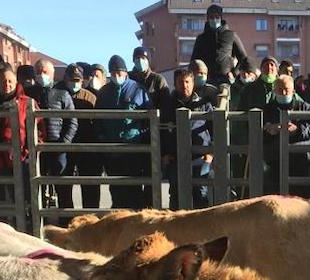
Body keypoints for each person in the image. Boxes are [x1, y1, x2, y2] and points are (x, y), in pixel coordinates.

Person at [95, 54, 153, 209]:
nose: (116, 76)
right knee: (115, 189)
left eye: (119, 73)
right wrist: (102, 138)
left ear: (125, 72)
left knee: (134, 189)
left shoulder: (138, 90)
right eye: (113, 73)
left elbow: (150, 118)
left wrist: (141, 137)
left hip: (133, 150)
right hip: (112, 150)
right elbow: (97, 119)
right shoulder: (103, 93)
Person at [0, 65, 38, 218]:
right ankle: (1, 233)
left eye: (10, 81)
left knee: (24, 198)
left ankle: (27, 231)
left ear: (16, 81)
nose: (7, 84)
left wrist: (27, 153)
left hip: (20, 160)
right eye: (3, 81)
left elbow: (39, 130)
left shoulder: (28, 103)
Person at [26, 59, 77, 222]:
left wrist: (64, 143)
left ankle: (67, 224)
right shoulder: (28, 95)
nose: (42, 75)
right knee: (35, 189)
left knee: (63, 189)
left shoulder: (63, 94)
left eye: (45, 72)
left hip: (58, 149)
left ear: (52, 74)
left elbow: (72, 121)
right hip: (35, 150)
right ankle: (38, 224)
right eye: (39, 71)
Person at [159, 69, 214, 209]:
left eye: (187, 82)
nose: (184, 85)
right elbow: (161, 132)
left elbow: (215, 130)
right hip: (175, 158)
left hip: (200, 158)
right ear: (175, 84)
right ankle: (175, 230)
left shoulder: (204, 105)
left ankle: (202, 229)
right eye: (180, 82)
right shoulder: (167, 107)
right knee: (176, 195)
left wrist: (211, 153)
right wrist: (163, 154)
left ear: (193, 83)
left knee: (201, 194)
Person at [261, 75, 310, 197]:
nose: (283, 93)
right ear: (274, 91)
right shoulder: (267, 109)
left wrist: (298, 130)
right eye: (280, 90)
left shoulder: (305, 107)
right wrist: (268, 129)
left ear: (293, 91)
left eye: (286, 90)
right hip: (274, 162)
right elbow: (257, 130)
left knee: (302, 200)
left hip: (301, 162)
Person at [59, 64, 99, 213]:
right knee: (64, 185)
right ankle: (66, 219)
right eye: (72, 80)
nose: (75, 83)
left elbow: (97, 122)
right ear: (65, 79)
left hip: (87, 145)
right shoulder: (57, 94)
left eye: (78, 80)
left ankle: (91, 219)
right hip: (65, 146)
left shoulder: (90, 97)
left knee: (90, 186)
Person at [191, 4, 247, 86]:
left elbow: (243, 58)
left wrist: (234, 73)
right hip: (207, 81)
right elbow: (194, 61)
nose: (214, 19)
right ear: (208, 19)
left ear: (221, 18)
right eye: (211, 17)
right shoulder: (201, 38)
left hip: (227, 80)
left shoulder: (231, 35)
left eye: (217, 17)